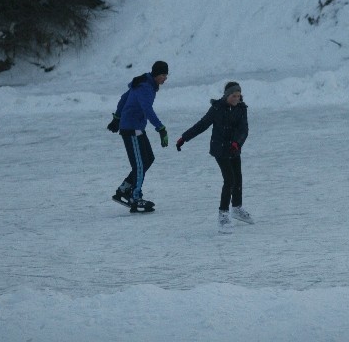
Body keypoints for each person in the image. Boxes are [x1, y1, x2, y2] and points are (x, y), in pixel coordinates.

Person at [175, 81, 253, 233]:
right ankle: (223, 214)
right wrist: (184, 138)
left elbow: (244, 129)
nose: (237, 99)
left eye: (239, 96)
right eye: (233, 96)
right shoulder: (217, 108)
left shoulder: (242, 109)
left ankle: (237, 207)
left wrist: (237, 143)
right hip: (220, 149)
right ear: (227, 95)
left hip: (234, 148)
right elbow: (202, 124)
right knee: (229, 179)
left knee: (238, 178)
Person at [107, 61, 169, 213]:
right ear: (155, 74)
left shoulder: (143, 82)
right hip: (132, 128)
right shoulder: (146, 87)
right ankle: (135, 197)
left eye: (166, 75)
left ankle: (124, 189)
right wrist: (160, 128)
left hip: (136, 127)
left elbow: (123, 98)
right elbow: (147, 109)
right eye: (163, 75)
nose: (165, 78)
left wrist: (117, 117)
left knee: (148, 158)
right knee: (140, 164)